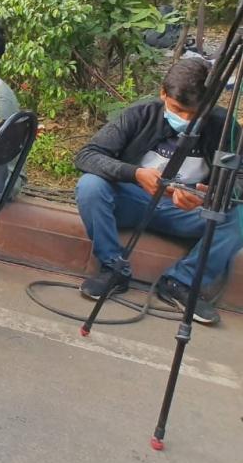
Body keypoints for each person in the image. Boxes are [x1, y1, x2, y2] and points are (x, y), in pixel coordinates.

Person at [74, 58, 243, 325]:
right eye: (178, 110)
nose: (186, 120)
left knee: (239, 217)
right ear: (163, 93)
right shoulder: (141, 113)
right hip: (136, 200)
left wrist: (211, 195)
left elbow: (240, 179)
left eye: (196, 115)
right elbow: (87, 155)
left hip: (190, 209)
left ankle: (180, 283)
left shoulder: (224, 125)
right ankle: (113, 268)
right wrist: (135, 174)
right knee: (91, 186)